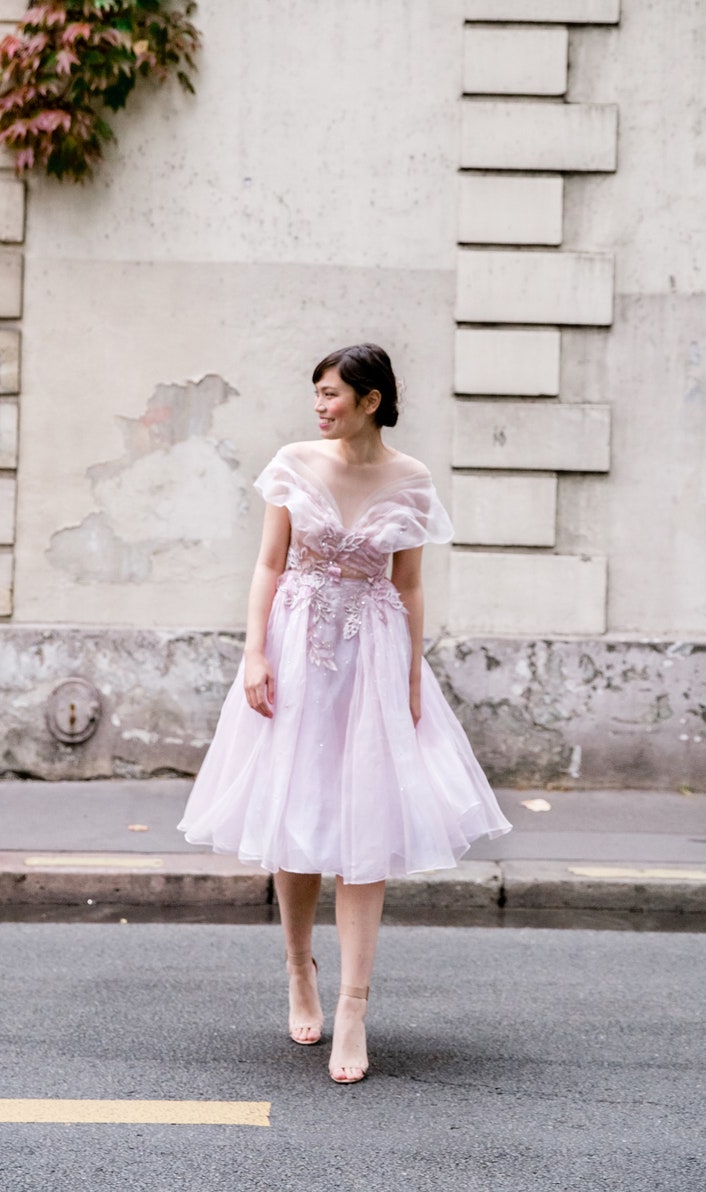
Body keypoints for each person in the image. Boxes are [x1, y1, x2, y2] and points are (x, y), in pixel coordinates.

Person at [178, 343, 511, 1084]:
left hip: (374, 656)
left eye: (332, 394)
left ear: (371, 400)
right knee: (295, 821)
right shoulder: (294, 462)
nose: (320, 405)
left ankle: (353, 1010)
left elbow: (411, 584)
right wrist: (254, 656)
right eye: (317, 392)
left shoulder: (412, 478)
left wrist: (413, 677)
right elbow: (268, 563)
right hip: (296, 650)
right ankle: (300, 966)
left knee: (366, 828)